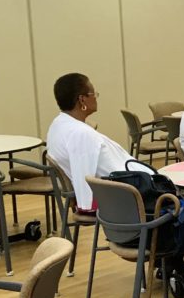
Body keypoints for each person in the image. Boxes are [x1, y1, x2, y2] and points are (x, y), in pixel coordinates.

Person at [46, 73, 137, 212]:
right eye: (93, 93)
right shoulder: (80, 134)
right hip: (126, 194)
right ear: (82, 100)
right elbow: (87, 178)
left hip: (125, 184)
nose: (96, 97)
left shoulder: (58, 124)